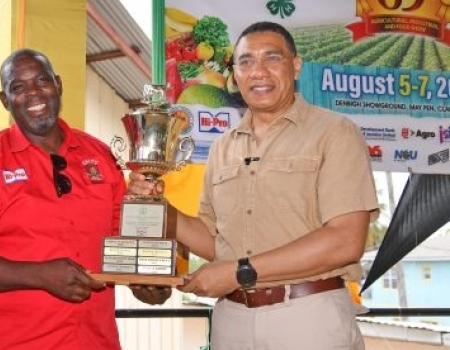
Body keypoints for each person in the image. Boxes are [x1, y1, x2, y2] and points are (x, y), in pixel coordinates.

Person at [129, 21, 379, 349]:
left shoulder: (334, 133)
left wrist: (238, 272)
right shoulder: (223, 148)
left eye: (271, 58)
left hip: (307, 317)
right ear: (235, 75)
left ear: (296, 65)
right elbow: (216, 241)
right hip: (231, 320)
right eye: (245, 62)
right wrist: (162, 210)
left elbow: (345, 241)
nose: (258, 72)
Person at [0, 48, 171, 350]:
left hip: (94, 341)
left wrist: (149, 281)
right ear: (5, 100)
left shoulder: (99, 156)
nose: (33, 93)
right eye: (18, 88)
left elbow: (120, 241)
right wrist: (40, 275)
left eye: (41, 81)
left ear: (58, 85)